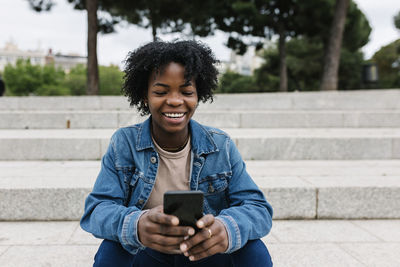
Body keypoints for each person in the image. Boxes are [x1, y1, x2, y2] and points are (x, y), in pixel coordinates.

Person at [80, 40, 273, 267]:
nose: (174, 100)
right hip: (149, 252)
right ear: (145, 96)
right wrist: (138, 225)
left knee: (254, 250)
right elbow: (96, 210)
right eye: (161, 91)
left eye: (186, 91)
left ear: (198, 95)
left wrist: (227, 229)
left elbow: (258, 209)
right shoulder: (124, 143)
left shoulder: (220, 144)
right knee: (111, 250)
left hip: (206, 252)